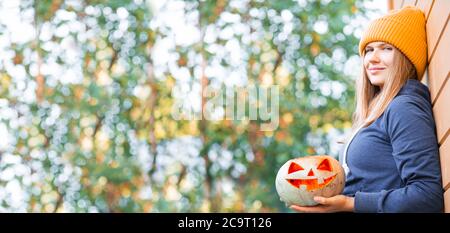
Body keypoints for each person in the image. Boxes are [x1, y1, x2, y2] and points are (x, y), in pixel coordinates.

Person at [290, 6, 444, 213]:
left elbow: (427, 196)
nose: (372, 58)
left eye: (386, 48)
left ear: (406, 58)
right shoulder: (378, 112)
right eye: (369, 50)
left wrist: (348, 203)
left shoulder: (403, 107)